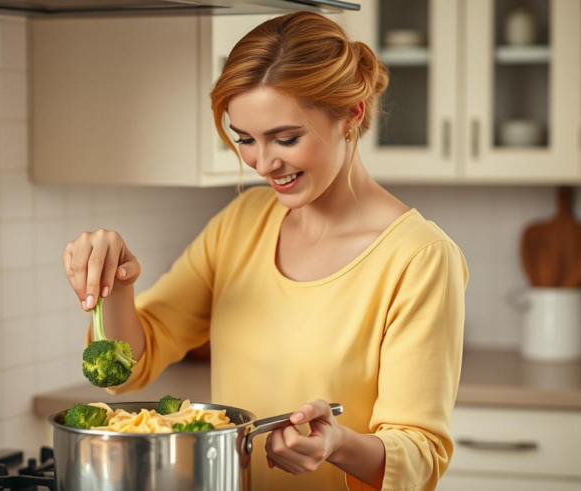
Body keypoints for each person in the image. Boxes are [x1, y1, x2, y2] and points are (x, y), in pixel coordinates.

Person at [62, 11, 469, 491]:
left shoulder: (420, 257)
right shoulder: (242, 222)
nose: (263, 163)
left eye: (286, 138)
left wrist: (336, 444)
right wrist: (117, 283)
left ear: (352, 113)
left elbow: (420, 455)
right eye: (246, 140)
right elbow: (128, 370)